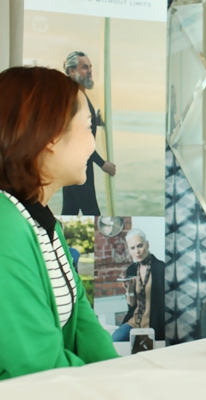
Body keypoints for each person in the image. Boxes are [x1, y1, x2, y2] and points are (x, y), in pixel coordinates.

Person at [0, 66, 119, 380]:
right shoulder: (4, 226)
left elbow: (81, 317)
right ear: (52, 135)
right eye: (89, 127)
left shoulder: (43, 222)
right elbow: (37, 363)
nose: (93, 144)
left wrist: (121, 374)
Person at [61, 51, 117, 216]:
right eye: (85, 67)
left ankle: (55, 234)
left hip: (75, 165)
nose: (90, 71)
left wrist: (94, 120)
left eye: (90, 67)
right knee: (92, 213)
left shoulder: (78, 94)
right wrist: (102, 163)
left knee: (69, 211)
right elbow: (78, 139)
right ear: (72, 71)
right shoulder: (74, 98)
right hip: (78, 166)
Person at [112, 228, 165, 342]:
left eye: (140, 246)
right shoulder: (131, 270)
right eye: (132, 248)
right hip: (134, 322)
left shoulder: (161, 268)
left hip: (154, 323)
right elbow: (131, 305)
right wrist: (129, 290)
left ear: (147, 245)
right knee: (114, 340)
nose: (137, 251)